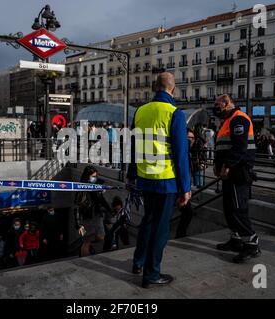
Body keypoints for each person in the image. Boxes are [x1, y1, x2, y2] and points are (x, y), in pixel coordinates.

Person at [127, 72, 191, 288]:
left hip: (145, 178)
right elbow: (181, 155)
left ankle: (138, 262)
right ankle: (152, 275)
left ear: (155, 88)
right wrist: (186, 188)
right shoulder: (175, 113)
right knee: (160, 229)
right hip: (166, 181)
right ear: (173, 89)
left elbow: (134, 146)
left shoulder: (140, 111)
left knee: (148, 221)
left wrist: (131, 175)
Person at [213, 94, 260, 264]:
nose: (215, 107)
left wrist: (226, 165)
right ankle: (236, 239)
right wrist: (218, 166)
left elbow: (240, 147)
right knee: (228, 207)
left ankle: (251, 243)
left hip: (238, 172)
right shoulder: (227, 121)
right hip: (229, 172)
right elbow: (223, 146)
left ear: (226, 103)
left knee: (238, 208)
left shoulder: (239, 119)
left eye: (217, 104)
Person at [74, 166, 112, 256]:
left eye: (96, 176)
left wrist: (109, 210)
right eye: (93, 176)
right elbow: (77, 207)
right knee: (86, 242)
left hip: (97, 215)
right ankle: (84, 260)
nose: (95, 178)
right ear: (87, 176)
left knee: (101, 237)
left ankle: (88, 245)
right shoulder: (81, 189)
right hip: (86, 217)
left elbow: (102, 200)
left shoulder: (96, 186)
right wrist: (78, 224)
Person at [175, 129, 197, 239]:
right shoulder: (183, 151)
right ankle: (180, 235)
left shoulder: (188, 152)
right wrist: (185, 190)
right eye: (188, 138)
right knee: (188, 212)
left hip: (183, 187)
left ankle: (180, 234)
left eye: (192, 138)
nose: (190, 140)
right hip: (179, 188)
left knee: (187, 213)